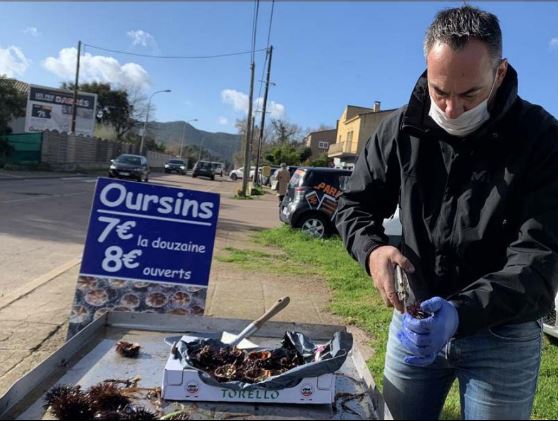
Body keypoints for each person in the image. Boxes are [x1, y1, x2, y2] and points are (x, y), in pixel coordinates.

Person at [335, 6, 558, 420]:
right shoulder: (401, 129)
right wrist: (372, 251)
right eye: (440, 91)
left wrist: (462, 311)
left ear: (501, 72)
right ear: (426, 68)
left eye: (469, 94)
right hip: (414, 324)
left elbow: (540, 258)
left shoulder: (542, 139)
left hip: (502, 335)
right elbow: (354, 204)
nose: (452, 110)